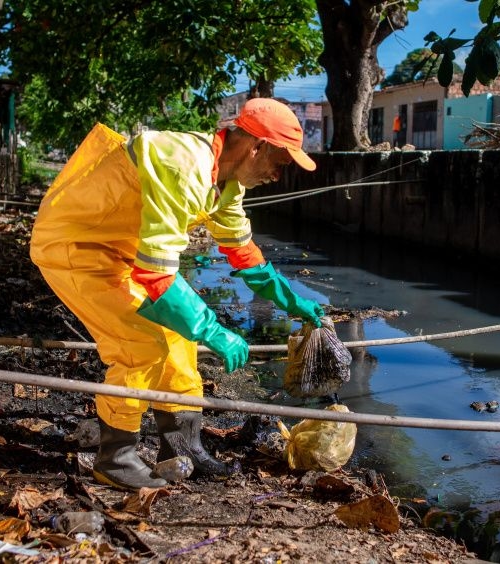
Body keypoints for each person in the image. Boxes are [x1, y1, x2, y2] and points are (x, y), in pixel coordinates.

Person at [30, 98, 325, 490]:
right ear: (256, 147)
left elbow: (242, 252)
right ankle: (115, 458)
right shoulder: (183, 164)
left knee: (179, 340)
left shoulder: (226, 183)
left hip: (119, 250)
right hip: (75, 247)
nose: (278, 175)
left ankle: (183, 449)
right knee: (142, 343)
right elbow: (157, 275)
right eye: (280, 162)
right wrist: (213, 329)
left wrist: (291, 301)